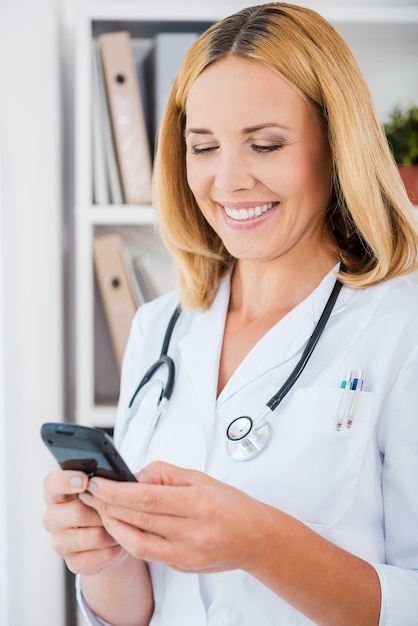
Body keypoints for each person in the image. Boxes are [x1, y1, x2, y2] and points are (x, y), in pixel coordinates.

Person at [42, 3, 418, 625]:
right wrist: (102, 554)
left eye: (265, 144)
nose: (228, 179)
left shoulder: (401, 328)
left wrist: (261, 543)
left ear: (336, 145)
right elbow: (140, 612)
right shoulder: (159, 326)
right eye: (204, 146)